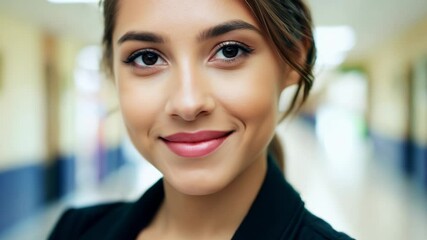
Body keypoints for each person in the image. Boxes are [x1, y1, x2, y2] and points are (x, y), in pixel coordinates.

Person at [49, 0, 354, 239]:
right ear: (110, 70)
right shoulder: (75, 232)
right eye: (148, 58)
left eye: (229, 51)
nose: (187, 103)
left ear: (293, 58)